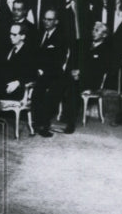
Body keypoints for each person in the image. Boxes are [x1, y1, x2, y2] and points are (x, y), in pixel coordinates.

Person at [62, 20, 113, 133]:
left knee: (74, 87)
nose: (93, 32)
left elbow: (98, 70)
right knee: (60, 81)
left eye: (97, 30)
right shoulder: (86, 45)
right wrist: (72, 71)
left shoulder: (106, 50)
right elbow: (76, 61)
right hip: (78, 77)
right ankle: (51, 116)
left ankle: (71, 123)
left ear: (104, 35)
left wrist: (80, 74)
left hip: (92, 80)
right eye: (93, 29)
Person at [32, 9, 70, 137]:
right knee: (37, 91)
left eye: (49, 20)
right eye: (44, 19)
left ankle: (44, 124)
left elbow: (59, 60)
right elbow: (34, 55)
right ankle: (36, 122)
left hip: (55, 73)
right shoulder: (39, 34)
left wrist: (43, 71)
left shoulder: (62, 37)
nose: (46, 22)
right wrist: (37, 69)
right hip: (39, 71)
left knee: (49, 93)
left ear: (56, 21)